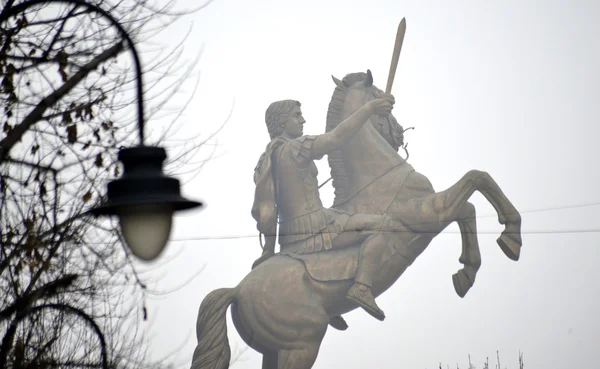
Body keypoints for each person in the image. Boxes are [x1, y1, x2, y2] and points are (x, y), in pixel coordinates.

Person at [251, 94, 401, 322]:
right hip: (316, 226)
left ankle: (329, 298)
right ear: (282, 123)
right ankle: (361, 287)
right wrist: (369, 108)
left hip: (289, 237)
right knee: (383, 225)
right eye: (296, 115)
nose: (302, 120)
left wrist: (269, 249)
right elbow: (335, 138)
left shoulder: (265, 159)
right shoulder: (296, 148)